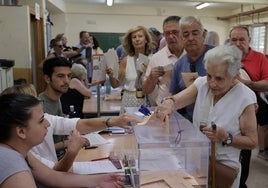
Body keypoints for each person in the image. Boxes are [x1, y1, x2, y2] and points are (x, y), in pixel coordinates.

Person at [156, 45, 258, 188]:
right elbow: (177, 100)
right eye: (209, 75)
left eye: (219, 79)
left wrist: (225, 137)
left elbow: (252, 141)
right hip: (197, 162)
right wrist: (169, 102)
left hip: (223, 170)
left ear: (234, 76)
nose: (212, 83)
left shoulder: (245, 97)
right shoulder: (202, 84)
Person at [1, 84, 141, 172]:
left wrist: (112, 121)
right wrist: (71, 151)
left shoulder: (26, 148)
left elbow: (80, 124)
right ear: (20, 130)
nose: (48, 123)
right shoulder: (21, 155)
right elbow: (54, 174)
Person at [0, 93, 126, 188]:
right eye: (41, 120)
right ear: (21, 132)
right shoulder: (13, 166)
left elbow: (53, 176)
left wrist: (100, 180)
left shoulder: (18, 151)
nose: (47, 124)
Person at [229, 25, 268, 188]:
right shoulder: (224, 58)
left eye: (242, 39)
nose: (238, 43)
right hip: (228, 114)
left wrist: (247, 84)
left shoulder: (260, 58)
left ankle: (241, 183)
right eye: (234, 40)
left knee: (245, 151)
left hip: (249, 113)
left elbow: (266, 83)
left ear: (249, 40)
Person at [169, 15, 214, 121]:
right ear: (181, 38)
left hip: (217, 121)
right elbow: (174, 96)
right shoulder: (179, 65)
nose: (190, 38)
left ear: (203, 34)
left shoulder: (218, 56)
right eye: (186, 34)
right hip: (190, 122)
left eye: (195, 33)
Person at [106, 26, 153, 114]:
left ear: (146, 40)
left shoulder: (152, 60)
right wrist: (111, 76)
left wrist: (148, 74)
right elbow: (115, 85)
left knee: (145, 126)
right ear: (131, 41)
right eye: (134, 37)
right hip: (129, 100)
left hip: (147, 100)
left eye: (140, 36)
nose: (137, 39)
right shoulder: (126, 60)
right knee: (128, 126)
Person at [143, 16, 185, 106]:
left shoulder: (191, 54)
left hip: (189, 109)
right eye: (167, 33)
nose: (171, 36)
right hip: (164, 109)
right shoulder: (156, 58)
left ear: (183, 32)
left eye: (175, 32)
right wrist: (151, 77)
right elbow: (146, 90)